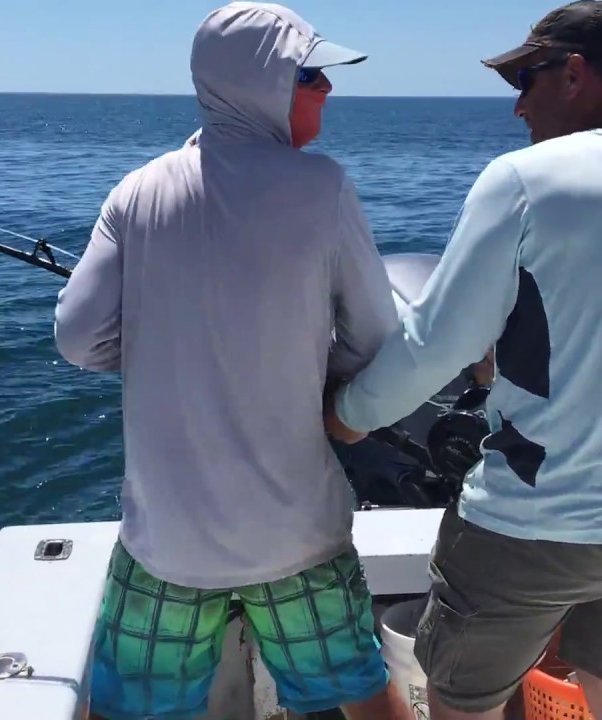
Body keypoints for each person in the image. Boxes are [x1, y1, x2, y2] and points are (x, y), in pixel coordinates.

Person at [324, 2, 602, 719]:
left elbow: (432, 345)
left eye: (526, 78)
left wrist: (348, 416)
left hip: (537, 533)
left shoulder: (524, 178)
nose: (517, 106)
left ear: (573, 74)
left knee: (462, 705)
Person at [54, 3, 411, 719]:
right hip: (298, 537)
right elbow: (379, 341)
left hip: (167, 542)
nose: (327, 90)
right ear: (264, 82)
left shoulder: (138, 190)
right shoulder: (322, 187)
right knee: (364, 699)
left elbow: (77, 338)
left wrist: (164, 344)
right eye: (311, 75)